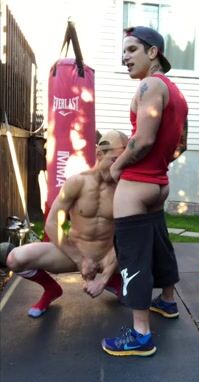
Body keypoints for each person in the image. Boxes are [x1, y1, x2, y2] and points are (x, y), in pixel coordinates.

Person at [101, 26, 188, 357]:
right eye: (123, 51)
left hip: (136, 186)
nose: (124, 57)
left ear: (153, 53)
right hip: (158, 184)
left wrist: (118, 168)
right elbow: (181, 145)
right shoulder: (177, 93)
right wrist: (158, 167)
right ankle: (167, 301)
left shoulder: (150, 85)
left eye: (132, 50)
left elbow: (142, 140)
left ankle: (141, 335)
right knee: (161, 247)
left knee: (133, 258)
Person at [0, 130, 129, 317]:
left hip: (109, 256)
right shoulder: (77, 182)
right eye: (115, 160)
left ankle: (113, 280)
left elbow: (128, 235)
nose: (119, 167)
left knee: (152, 258)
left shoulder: (124, 188)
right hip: (74, 253)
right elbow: (52, 224)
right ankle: (51, 289)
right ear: (99, 154)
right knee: (15, 258)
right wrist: (81, 259)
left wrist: (103, 278)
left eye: (124, 162)